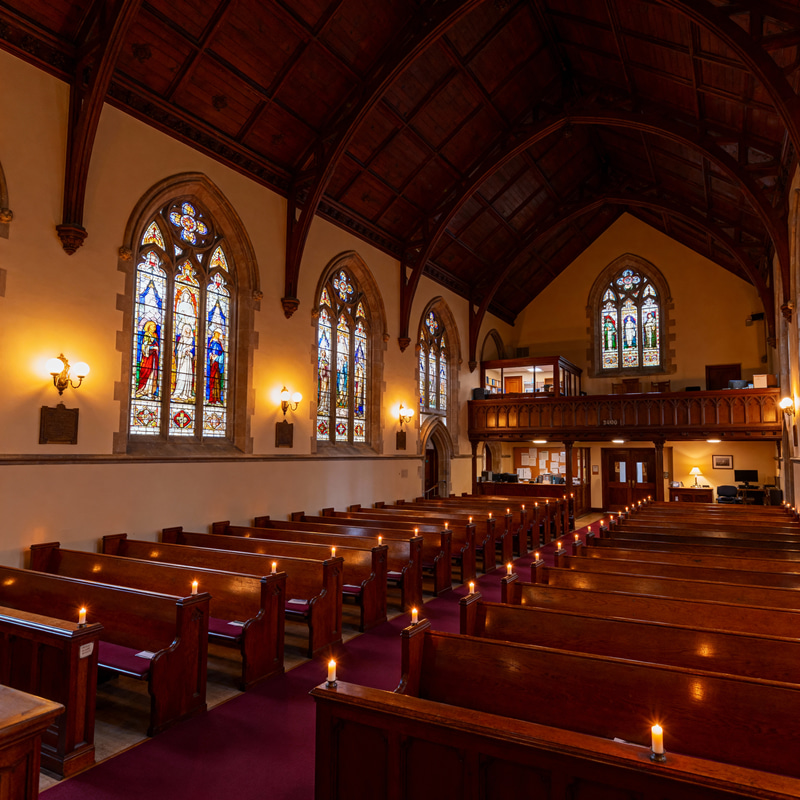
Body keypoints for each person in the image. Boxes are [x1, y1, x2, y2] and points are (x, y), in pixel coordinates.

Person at [135, 320, 160, 398]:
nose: (154, 328)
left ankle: (150, 391)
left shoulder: (155, 336)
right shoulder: (146, 335)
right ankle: (144, 389)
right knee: (147, 372)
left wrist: (156, 348)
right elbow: (144, 347)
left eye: (155, 327)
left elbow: (157, 345)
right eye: (153, 326)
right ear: (149, 327)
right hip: (148, 358)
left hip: (154, 358)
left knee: (153, 374)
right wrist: (152, 347)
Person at [172, 323, 195, 401]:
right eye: (187, 329)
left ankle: (187, 393)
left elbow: (193, 352)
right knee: (183, 375)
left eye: (189, 329)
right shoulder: (182, 339)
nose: (188, 331)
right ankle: (179, 392)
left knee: (189, 375)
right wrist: (184, 351)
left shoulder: (191, 339)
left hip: (188, 359)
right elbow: (179, 350)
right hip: (183, 360)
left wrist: (190, 353)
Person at [207, 330, 225, 404]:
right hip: (213, 363)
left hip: (218, 362)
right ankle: (212, 398)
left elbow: (221, 352)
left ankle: (217, 398)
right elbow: (209, 351)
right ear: (215, 334)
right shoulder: (212, 342)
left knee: (217, 380)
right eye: (217, 334)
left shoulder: (219, 343)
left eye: (219, 334)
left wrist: (218, 356)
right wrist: (211, 356)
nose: (218, 335)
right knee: (213, 380)